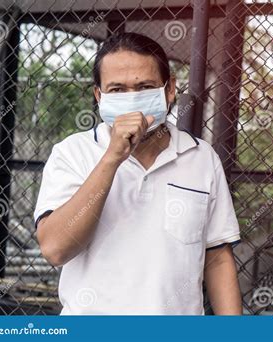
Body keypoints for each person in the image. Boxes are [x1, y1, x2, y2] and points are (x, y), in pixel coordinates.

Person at [34, 32, 242, 315]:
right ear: (99, 96)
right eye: (117, 90)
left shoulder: (202, 158)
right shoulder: (73, 153)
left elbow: (217, 257)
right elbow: (56, 249)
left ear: (169, 91)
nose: (132, 101)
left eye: (145, 87)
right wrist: (111, 159)